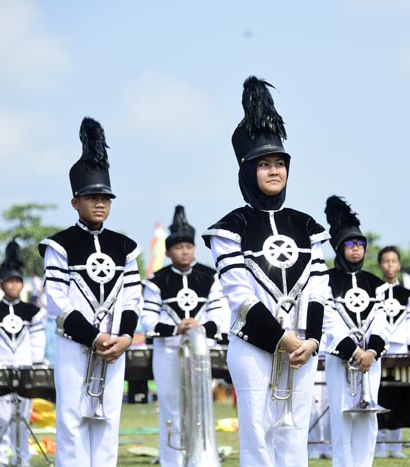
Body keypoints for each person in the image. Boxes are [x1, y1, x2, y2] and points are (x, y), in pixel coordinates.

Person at [202, 76, 328, 467]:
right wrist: (286, 340)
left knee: (293, 433)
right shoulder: (229, 226)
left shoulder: (308, 225)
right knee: (257, 434)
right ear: (247, 170)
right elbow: (240, 298)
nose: (274, 171)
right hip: (253, 344)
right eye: (264, 164)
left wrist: (312, 341)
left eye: (280, 163)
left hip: (303, 348)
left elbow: (320, 291)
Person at [39, 117, 141, 467]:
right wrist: (93, 337)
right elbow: (57, 301)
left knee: (109, 419)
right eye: (92, 197)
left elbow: (131, 298)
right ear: (75, 201)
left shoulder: (125, 246)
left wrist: (125, 337)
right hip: (75, 343)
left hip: (115, 346)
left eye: (105, 198)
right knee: (72, 419)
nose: (100, 203)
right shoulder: (59, 244)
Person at [141, 205, 229, 466]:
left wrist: (201, 330)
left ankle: (201, 457)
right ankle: (172, 460)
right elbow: (147, 321)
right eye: (178, 247)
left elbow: (221, 316)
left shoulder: (210, 276)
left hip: (200, 352)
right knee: (171, 407)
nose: (184, 251)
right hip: (168, 351)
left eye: (188, 246)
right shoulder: (157, 280)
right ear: (168, 252)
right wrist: (176, 329)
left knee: (201, 404)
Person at [322, 195, 388, 467]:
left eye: (361, 244)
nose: (357, 249)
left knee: (367, 421)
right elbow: (328, 319)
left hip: (370, 361)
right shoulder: (325, 280)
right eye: (350, 244)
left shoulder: (376, 283)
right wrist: (352, 350)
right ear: (339, 247)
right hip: (342, 360)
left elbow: (383, 321)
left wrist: (371, 351)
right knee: (342, 417)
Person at [0, 239, 46, 467]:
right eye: (9, 282)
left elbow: (38, 340)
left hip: (25, 369)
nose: (14, 286)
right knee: (0, 418)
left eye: (17, 282)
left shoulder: (33, 312)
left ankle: (22, 458)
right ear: (1, 284)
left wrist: (35, 362)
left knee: (22, 418)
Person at [375, 245, 410, 459]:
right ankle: (381, 444)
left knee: (401, 394)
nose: (390, 265)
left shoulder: (408, 294)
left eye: (393, 261)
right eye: (385, 261)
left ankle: (396, 445)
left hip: (401, 349)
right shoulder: (374, 291)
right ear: (380, 265)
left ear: (399, 265)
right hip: (381, 349)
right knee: (380, 394)